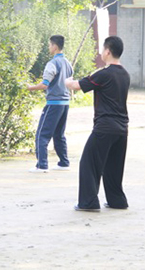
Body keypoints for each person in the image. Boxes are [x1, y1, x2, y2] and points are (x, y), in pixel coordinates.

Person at [65, 36, 130, 212]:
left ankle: (88, 202)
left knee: (89, 163)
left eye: (102, 49)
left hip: (105, 127)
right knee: (114, 167)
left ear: (107, 51)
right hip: (122, 128)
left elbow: (76, 85)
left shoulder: (103, 73)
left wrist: (66, 81)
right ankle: (117, 201)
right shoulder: (125, 74)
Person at [27, 35, 73, 173]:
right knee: (59, 134)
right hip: (65, 103)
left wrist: (30, 88)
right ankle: (64, 162)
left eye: (49, 45)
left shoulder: (52, 64)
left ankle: (42, 165)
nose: (49, 47)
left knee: (42, 134)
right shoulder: (68, 63)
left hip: (53, 103)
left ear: (55, 46)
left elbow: (45, 84)